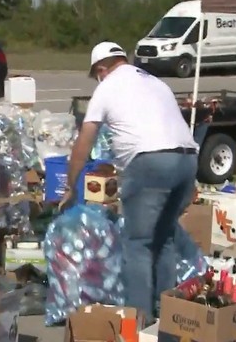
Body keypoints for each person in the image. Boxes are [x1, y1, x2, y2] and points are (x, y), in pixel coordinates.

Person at [59, 41, 200, 323]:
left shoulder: (107, 87)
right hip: (187, 160)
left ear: (101, 69)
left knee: (138, 244)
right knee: (164, 239)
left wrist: (71, 187)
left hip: (150, 163)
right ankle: (170, 320)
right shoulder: (156, 83)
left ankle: (139, 322)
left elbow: (84, 143)